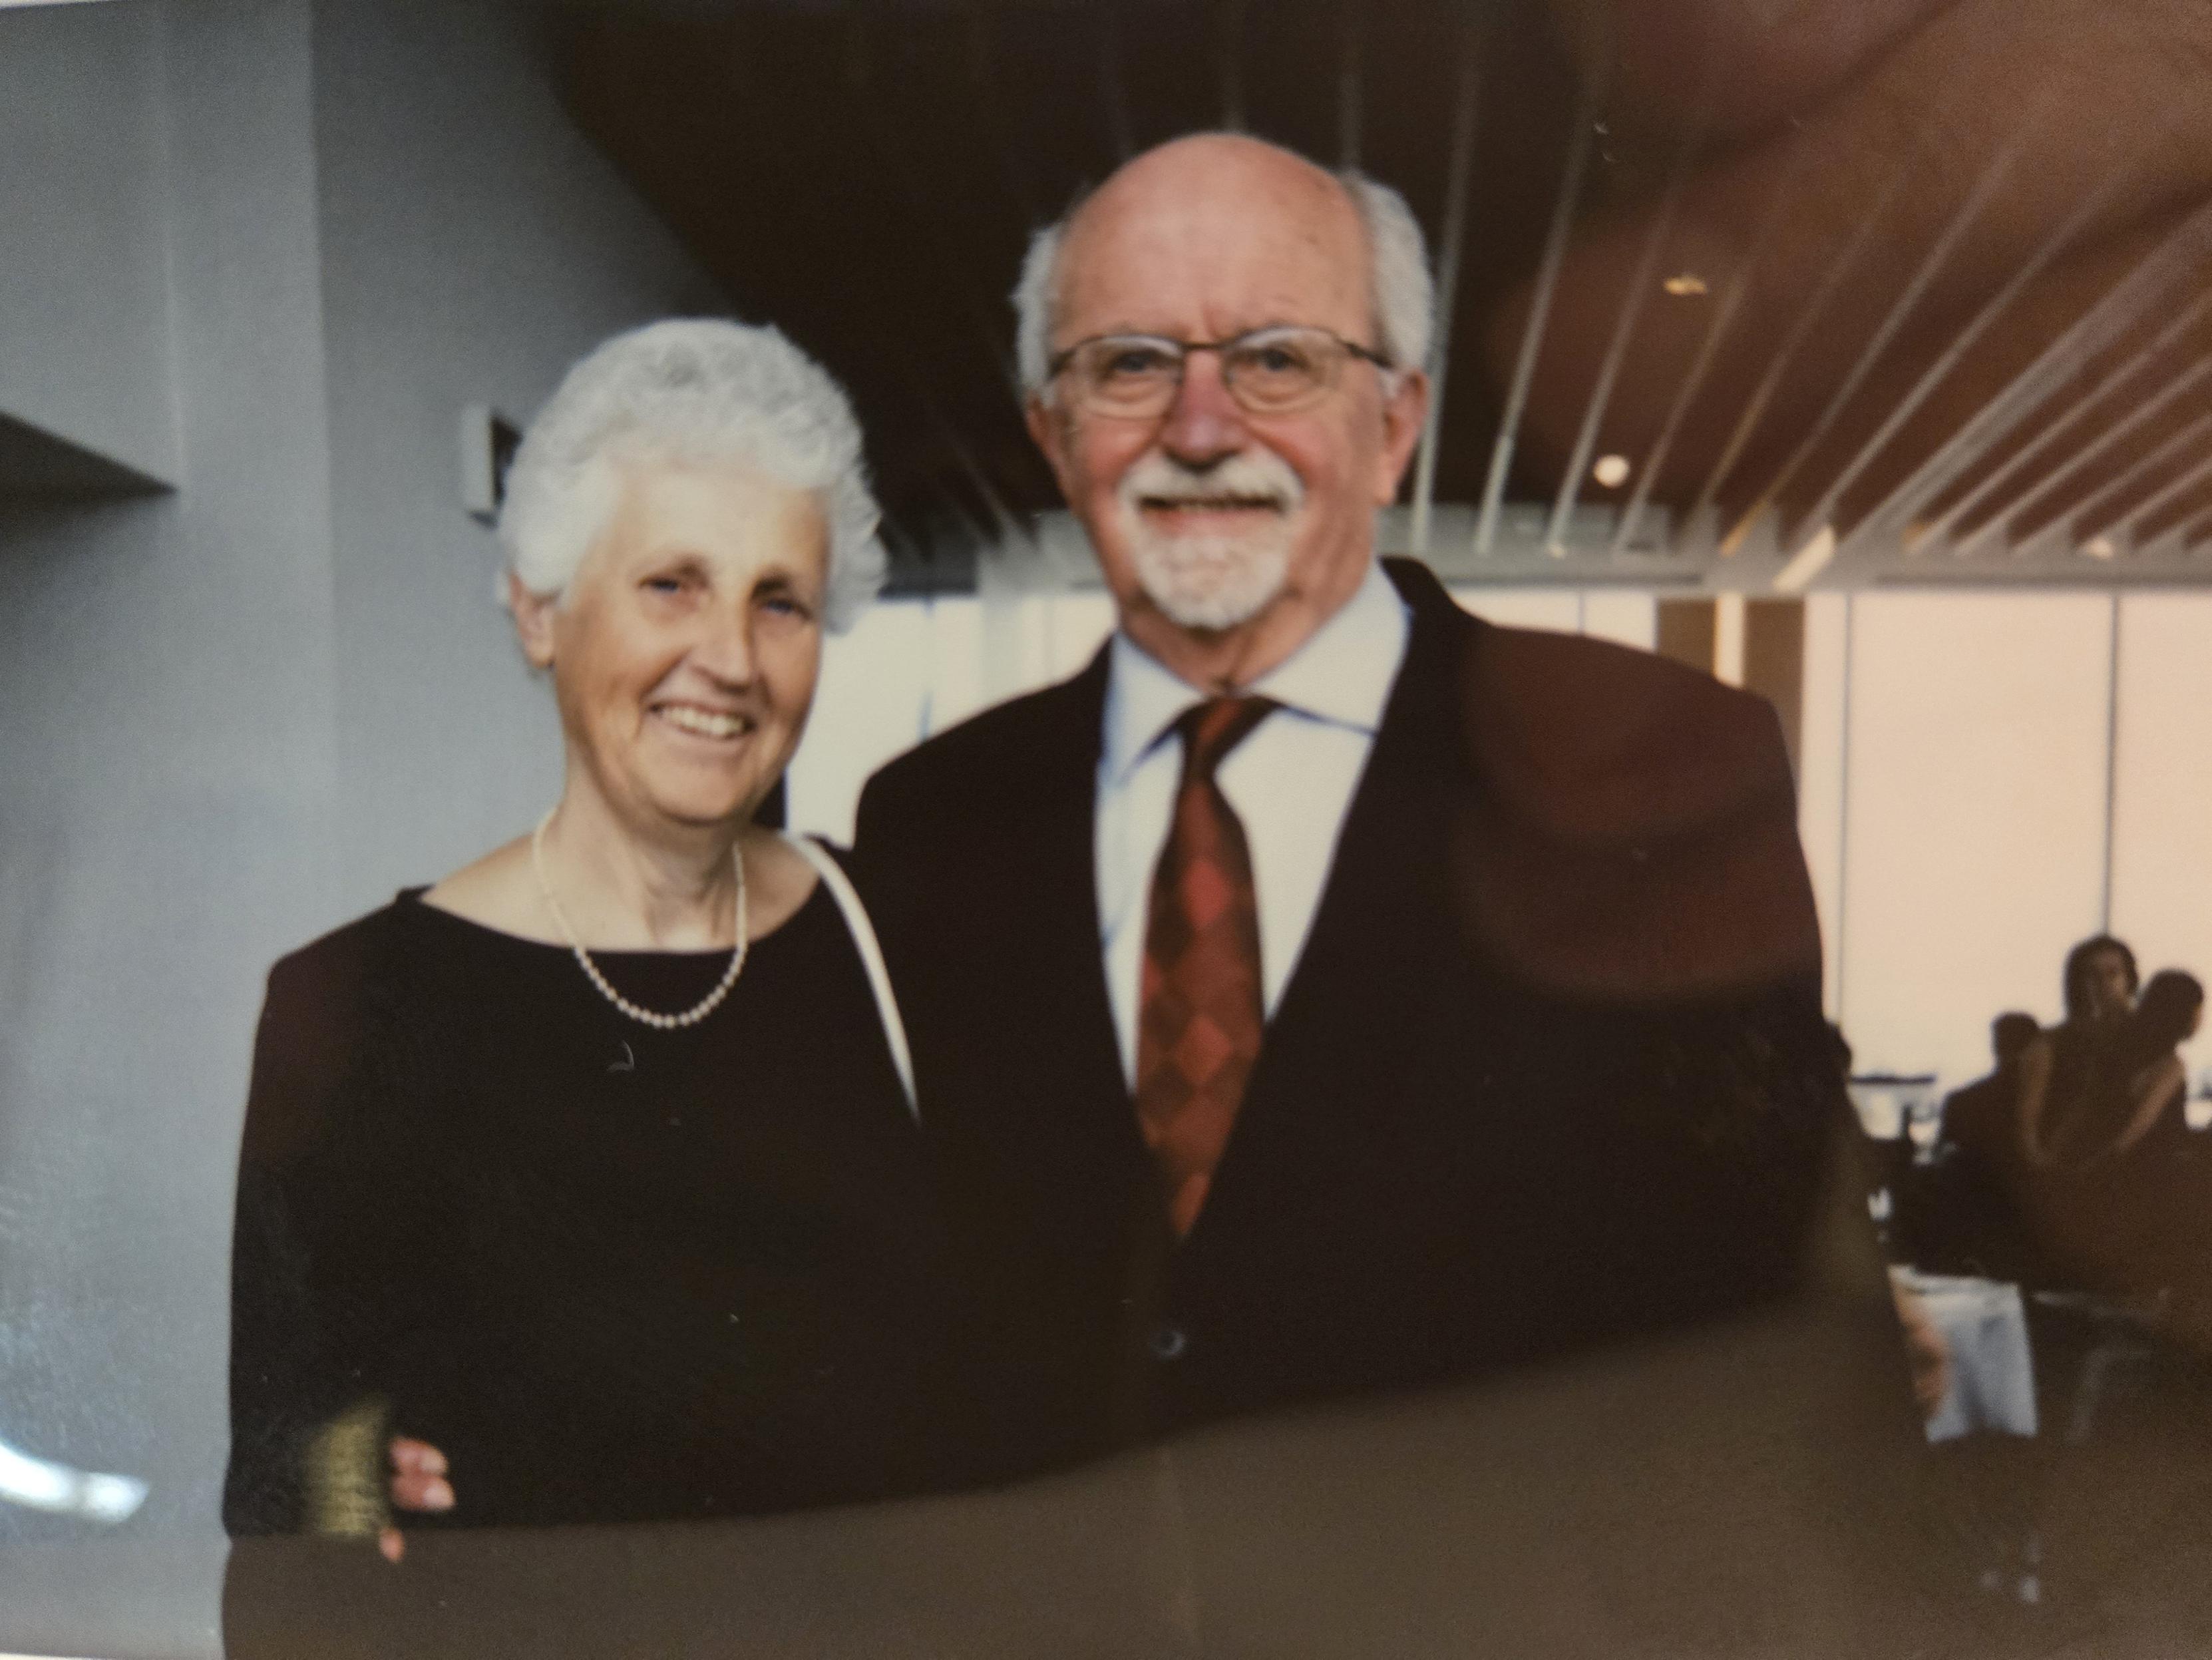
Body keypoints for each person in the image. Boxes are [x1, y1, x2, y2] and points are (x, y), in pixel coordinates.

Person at [849, 132, 1905, 1476]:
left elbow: (1776, 1332)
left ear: (1395, 421)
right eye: (1128, 363)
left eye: (1277, 358)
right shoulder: (930, 821)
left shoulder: (1663, 770)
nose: (1200, 426)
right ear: (1056, 438)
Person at [224, 320, 963, 1546]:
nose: (727, 658)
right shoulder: (354, 1002)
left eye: (778, 601)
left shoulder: (900, 946)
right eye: (671, 583)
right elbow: (283, 1470)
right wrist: (359, 1488)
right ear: (539, 613)